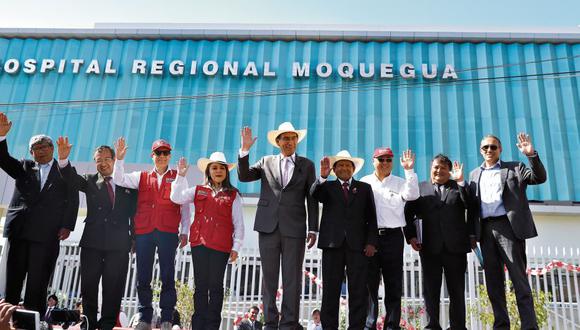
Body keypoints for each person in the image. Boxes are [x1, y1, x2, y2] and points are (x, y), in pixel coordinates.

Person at [237, 122, 318, 329]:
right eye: (285, 138)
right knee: (269, 278)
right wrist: (245, 150)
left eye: (292, 138)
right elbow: (244, 176)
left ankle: (289, 322)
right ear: (278, 142)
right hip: (268, 226)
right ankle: (270, 322)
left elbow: (311, 198)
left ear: (296, 141)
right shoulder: (265, 161)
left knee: (293, 278)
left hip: (295, 228)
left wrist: (313, 227)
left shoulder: (307, 165)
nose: (289, 141)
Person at [0, 113, 79, 315]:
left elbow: (72, 197)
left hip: (47, 234)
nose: (41, 151)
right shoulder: (25, 166)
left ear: (53, 149)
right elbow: (3, 159)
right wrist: (1, 137)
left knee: (38, 279)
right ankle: (9, 318)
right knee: (14, 278)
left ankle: (35, 319)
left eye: (45, 146)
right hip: (21, 231)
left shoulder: (64, 170)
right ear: (31, 152)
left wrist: (68, 225)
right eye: (36, 148)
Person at [468, 133, 547, 330]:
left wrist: (531, 155)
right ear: (480, 150)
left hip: (509, 228)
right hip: (485, 230)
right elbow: (472, 207)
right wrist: (472, 234)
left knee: (518, 280)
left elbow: (539, 178)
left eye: (493, 147)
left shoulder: (515, 168)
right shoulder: (473, 175)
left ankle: (529, 326)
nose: (489, 150)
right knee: (493, 284)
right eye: (485, 147)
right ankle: (501, 325)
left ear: (499, 149)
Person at [112, 137, 190, 330]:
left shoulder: (178, 175)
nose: (162, 156)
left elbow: (185, 205)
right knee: (143, 276)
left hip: (168, 231)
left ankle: (167, 317)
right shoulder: (142, 176)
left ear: (169, 156)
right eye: (158, 153)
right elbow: (119, 179)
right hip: (145, 231)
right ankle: (144, 316)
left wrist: (185, 231)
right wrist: (119, 159)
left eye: (165, 153)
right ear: (152, 156)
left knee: (167, 275)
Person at [58, 143, 138, 330]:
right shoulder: (90, 180)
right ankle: (88, 320)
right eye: (98, 160)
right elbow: (71, 179)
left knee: (114, 285)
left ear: (114, 160)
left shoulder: (127, 183)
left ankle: (108, 323)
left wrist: (134, 238)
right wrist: (63, 160)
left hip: (119, 243)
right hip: (92, 241)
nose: (102, 163)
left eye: (106, 159)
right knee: (89, 283)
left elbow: (135, 214)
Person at [170, 152, 244, 330]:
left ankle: (212, 326)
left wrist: (236, 247)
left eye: (221, 168)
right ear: (208, 171)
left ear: (226, 171)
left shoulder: (234, 195)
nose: (218, 171)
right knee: (201, 286)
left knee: (216, 287)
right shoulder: (197, 190)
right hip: (199, 244)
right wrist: (180, 176)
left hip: (221, 247)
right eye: (214, 168)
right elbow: (176, 197)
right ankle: (198, 325)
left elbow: (239, 224)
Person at [310, 150, 378, 330]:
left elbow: (372, 218)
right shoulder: (328, 187)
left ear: (353, 169)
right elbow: (315, 194)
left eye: (348, 165)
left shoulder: (364, 188)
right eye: (340, 165)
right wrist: (322, 177)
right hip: (332, 245)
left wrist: (371, 242)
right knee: (331, 291)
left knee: (358, 291)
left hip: (358, 247)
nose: (344, 168)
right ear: (334, 169)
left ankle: (356, 326)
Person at [404, 154, 472, 330]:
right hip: (429, 248)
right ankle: (432, 325)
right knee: (430, 291)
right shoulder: (420, 188)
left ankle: (457, 326)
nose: (439, 170)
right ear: (431, 168)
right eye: (436, 167)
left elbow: (470, 206)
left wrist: (461, 182)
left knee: (456, 291)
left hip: (455, 248)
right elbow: (407, 213)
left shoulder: (458, 187)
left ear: (449, 171)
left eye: (443, 168)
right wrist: (410, 236)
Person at [359, 147, 419, 330]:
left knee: (393, 285)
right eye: (381, 159)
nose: (385, 163)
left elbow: (413, 195)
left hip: (393, 237)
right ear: (373, 161)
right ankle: (369, 325)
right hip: (370, 237)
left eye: (388, 160)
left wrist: (409, 170)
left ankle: (392, 326)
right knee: (370, 285)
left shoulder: (401, 182)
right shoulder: (364, 182)